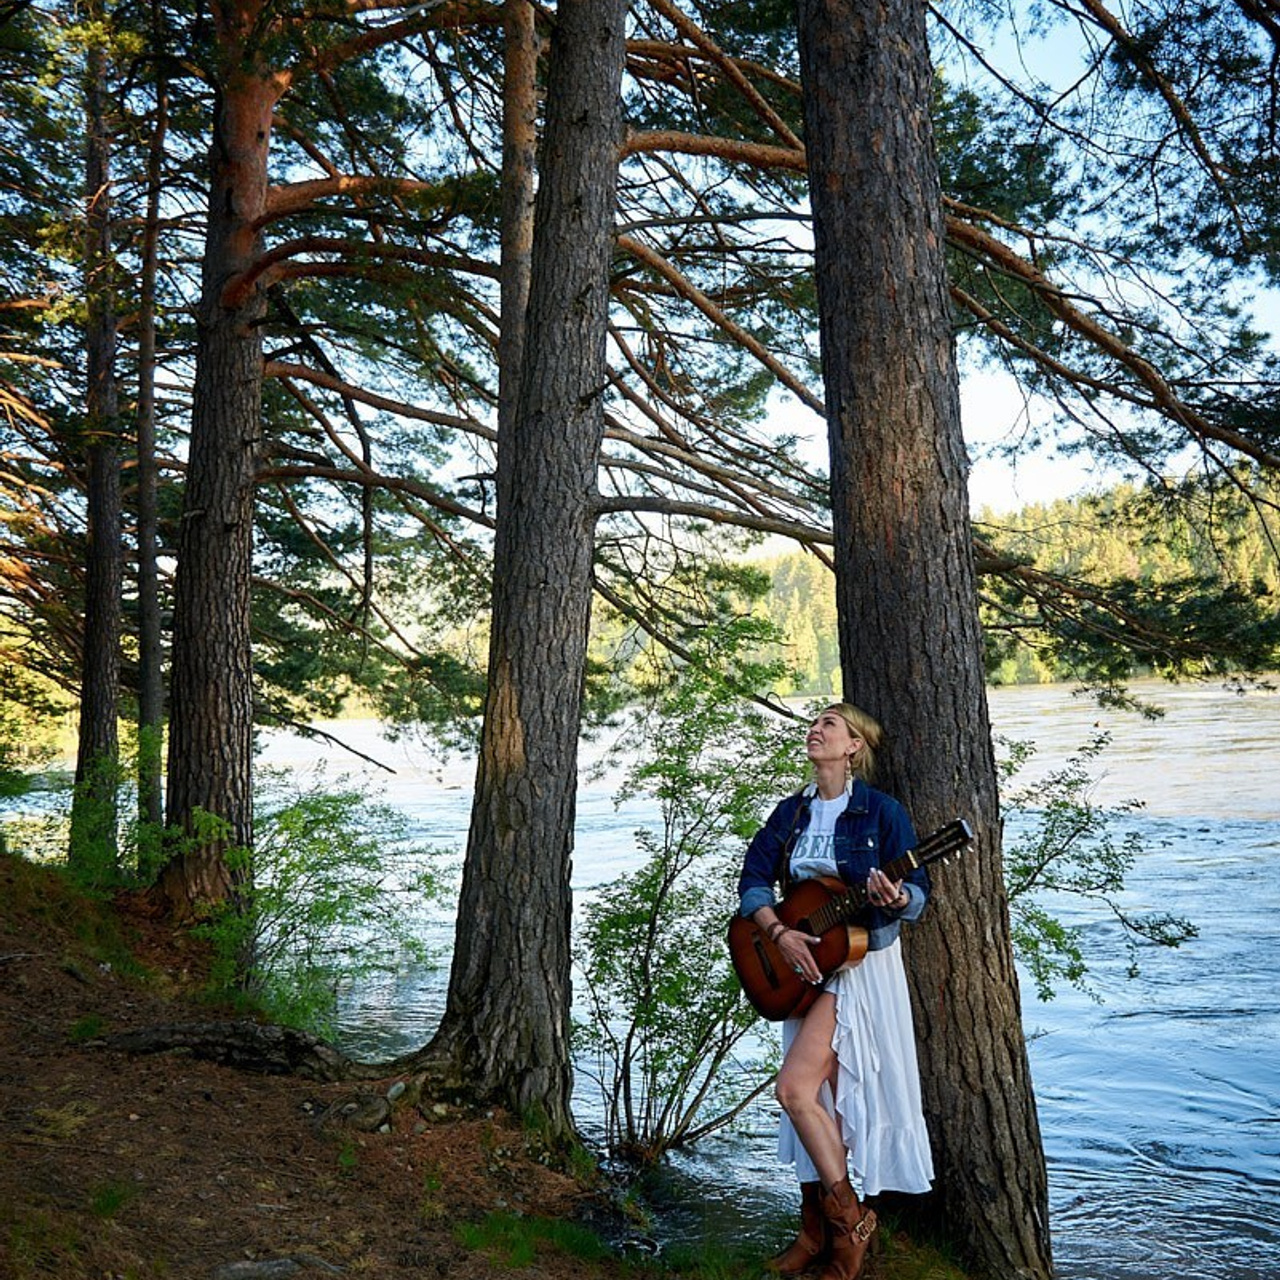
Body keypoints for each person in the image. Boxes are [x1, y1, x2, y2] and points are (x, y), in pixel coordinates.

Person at [737, 702, 934, 1280]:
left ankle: (850, 1225)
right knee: (818, 1102)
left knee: (795, 1090)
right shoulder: (790, 813)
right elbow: (752, 880)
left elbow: (917, 894)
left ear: (853, 747)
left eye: (831, 724)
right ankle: (815, 1231)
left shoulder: (880, 812)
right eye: (815, 722)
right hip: (805, 968)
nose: (816, 729)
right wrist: (778, 932)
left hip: (860, 968)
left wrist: (897, 899)